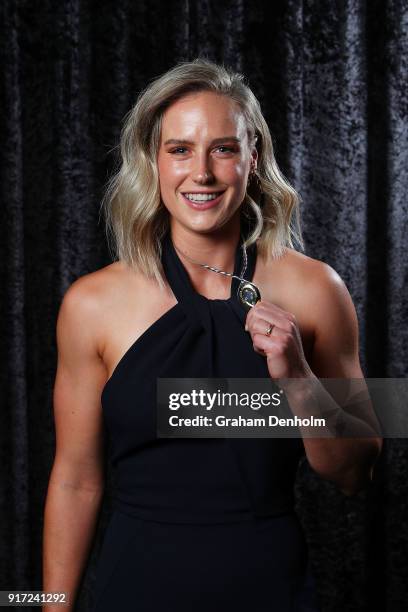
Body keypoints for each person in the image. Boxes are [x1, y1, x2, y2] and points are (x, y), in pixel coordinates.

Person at [42, 58, 382, 612]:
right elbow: (75, 480)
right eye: (179, 149)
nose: (201, 172)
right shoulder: (91, 303)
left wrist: (297, 376)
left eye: (223, 148)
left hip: (269, 590)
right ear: (153, 162)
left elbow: (355, 473)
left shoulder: (317, 288)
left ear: (254, 159)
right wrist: (49, 608)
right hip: (134, 589)